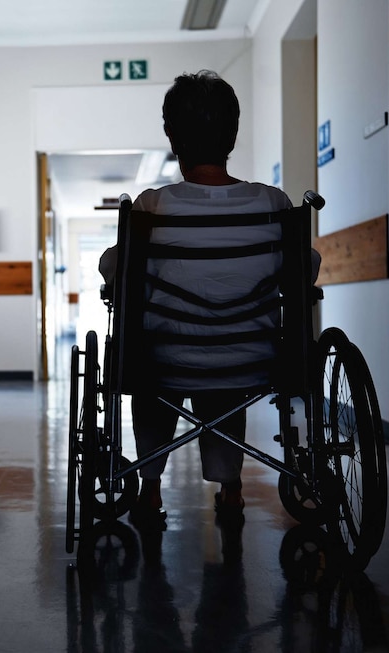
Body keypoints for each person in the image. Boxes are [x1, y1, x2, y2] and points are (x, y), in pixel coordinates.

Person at [99, 70, 317, 529]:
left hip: (165, 360)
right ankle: (230, 488)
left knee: (153, 367)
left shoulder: (152, 207)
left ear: (171, 136)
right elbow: (306, 271)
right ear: (232, 135)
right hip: (252, 359)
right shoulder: (273, 203)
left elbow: (114, 270)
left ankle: (150, 484)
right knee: (224, 381)